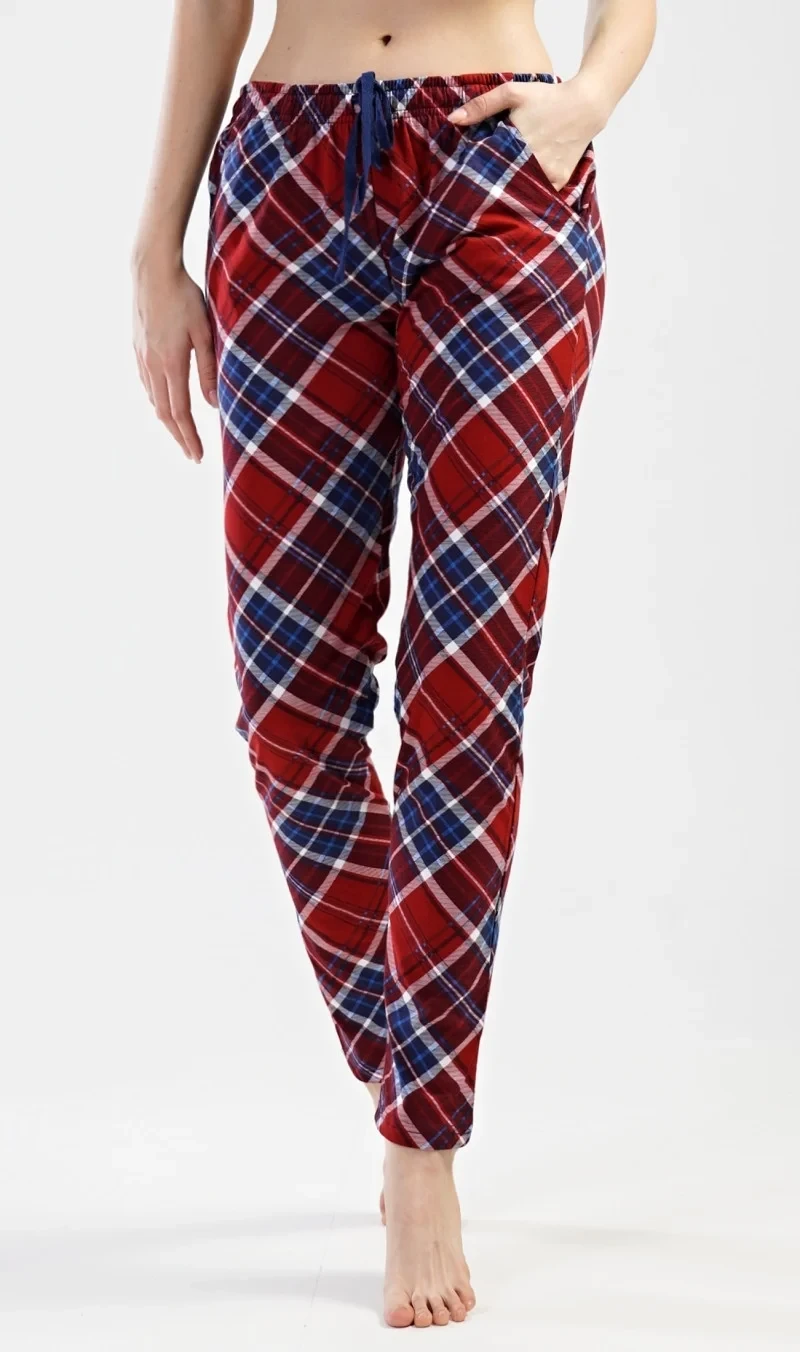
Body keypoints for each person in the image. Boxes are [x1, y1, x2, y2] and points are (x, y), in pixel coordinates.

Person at [131, 0, 656, 1329]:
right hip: (285, 182)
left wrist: (591, 98)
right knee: (288, 704)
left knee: (466, 693)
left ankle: (422, 1149)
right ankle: (414, 1063)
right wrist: (155, 247)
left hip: (499, 178)